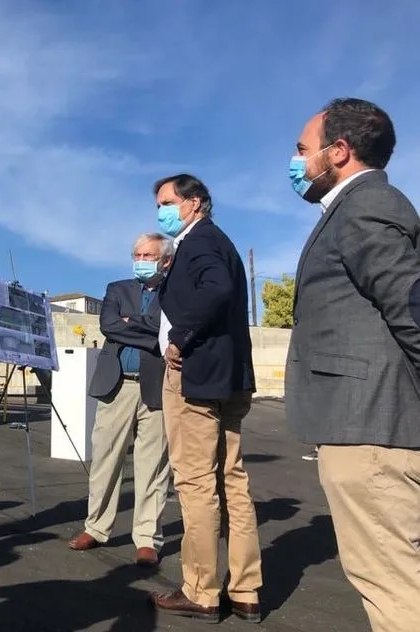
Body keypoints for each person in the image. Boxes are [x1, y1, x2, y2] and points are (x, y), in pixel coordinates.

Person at [286, 97, 420, 632]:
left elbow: (410, 304)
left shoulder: (366, 205)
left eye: (303, 149)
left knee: (391, 586)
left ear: (338, 151)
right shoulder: (357, 208)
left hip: (371, 431)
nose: (296, 161)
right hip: (368, 429)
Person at [149, 174, 262, 623]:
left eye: (166, 202)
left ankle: (201, 589)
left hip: (196, 378)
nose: (160, 210)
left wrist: (179, 337)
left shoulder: (197, 243)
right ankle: (246, 589)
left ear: (194, 203)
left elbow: (216, 290)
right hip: (230, 378)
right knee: (232, 481)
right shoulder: (222, 242)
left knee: (196, 485)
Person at [71, 233, 172, 568]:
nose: (141, 259)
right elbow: (109, 327)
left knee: (153, 466)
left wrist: (137, 325)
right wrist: (149, 331)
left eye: (148, 255)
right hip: (117, 386)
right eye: (137, 254)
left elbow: (166, 331)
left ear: (165, 259)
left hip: (157, 387)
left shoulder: (175, 292)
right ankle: (96, 527)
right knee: (105, 459)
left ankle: (147, 539)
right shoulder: (117, 289)